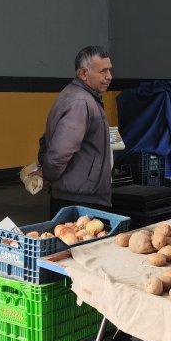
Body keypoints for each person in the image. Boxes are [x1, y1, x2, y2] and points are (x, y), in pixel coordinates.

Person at [40, 45, 113, 217]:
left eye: (110, 70)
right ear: (83, 74)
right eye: (103, 71)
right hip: (79, 200)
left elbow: (46, 139)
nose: (109, 76)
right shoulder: (80, 101)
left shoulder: (79, 96)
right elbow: (60, 151)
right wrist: (48, 175)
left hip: (79, 193)